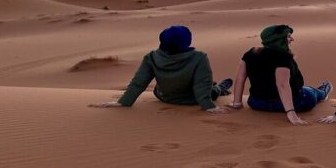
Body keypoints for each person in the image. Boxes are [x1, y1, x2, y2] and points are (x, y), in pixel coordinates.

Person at [89, 25, 232, 113]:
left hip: (164, 97)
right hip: (192, 100)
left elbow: (139, 82)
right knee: (212, 89)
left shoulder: (151, 57)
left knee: (206, 85)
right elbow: (201, 85)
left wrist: (123, 102)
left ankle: (217, 86)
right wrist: (209, 107)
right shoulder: (199, 57)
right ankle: (220, 88)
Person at [226, 25, 331, 126]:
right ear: (278, 40)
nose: (292, 39)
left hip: (257, 103)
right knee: (310, 91)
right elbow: (282, 85)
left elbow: (240, 78)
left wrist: (237, 103)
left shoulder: (251, 53)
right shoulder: (283, 57)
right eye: (288, 36)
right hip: (296, 103)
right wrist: (291, 114)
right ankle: (324, 91)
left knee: (305, 89)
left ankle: (320, 91)